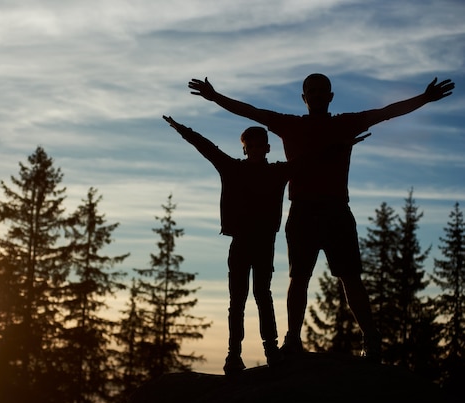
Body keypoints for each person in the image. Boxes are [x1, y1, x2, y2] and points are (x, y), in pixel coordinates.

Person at [188, 74, 455, 361]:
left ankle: (371, 339)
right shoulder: (290, 125)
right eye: (311, 91)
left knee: (350, 278)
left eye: (321, 91)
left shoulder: (345, 123)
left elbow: (386, 113)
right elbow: (251, 111)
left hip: (337, 210)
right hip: (302, 211)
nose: (316, 95)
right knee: (298, 278)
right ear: (304, 97)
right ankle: (292, 340)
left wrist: (424, 98)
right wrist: (215, 97)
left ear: (330, 96)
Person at [162, 115, 366, 374]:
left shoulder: (278, 171)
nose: (257, 150)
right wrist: (182, 129)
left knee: (262, 296)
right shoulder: (232, 168)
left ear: (267, 148)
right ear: (245, 148)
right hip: (240, 244)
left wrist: (340, 145)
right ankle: (234, 355)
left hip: (263, 245)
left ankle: (270, 350)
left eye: (261, 146)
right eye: (252, 146)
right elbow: (207, 147)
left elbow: (310, 158)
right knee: (237, 300)